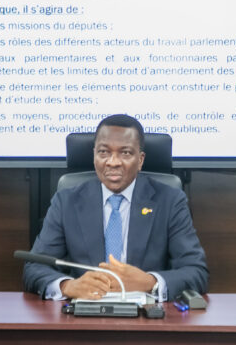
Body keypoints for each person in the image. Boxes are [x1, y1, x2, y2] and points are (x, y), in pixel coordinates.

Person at [23, 114, 209, 301]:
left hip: (146, 313)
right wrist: (68, 286)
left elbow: (196, 271)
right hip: (84, 310)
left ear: (140, 160)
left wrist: (149, 282)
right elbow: (35, 267)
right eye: (104, 152)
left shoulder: (170, 201)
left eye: (125, 153)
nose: (113, 162)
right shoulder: (66, 201)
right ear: (94, 155)